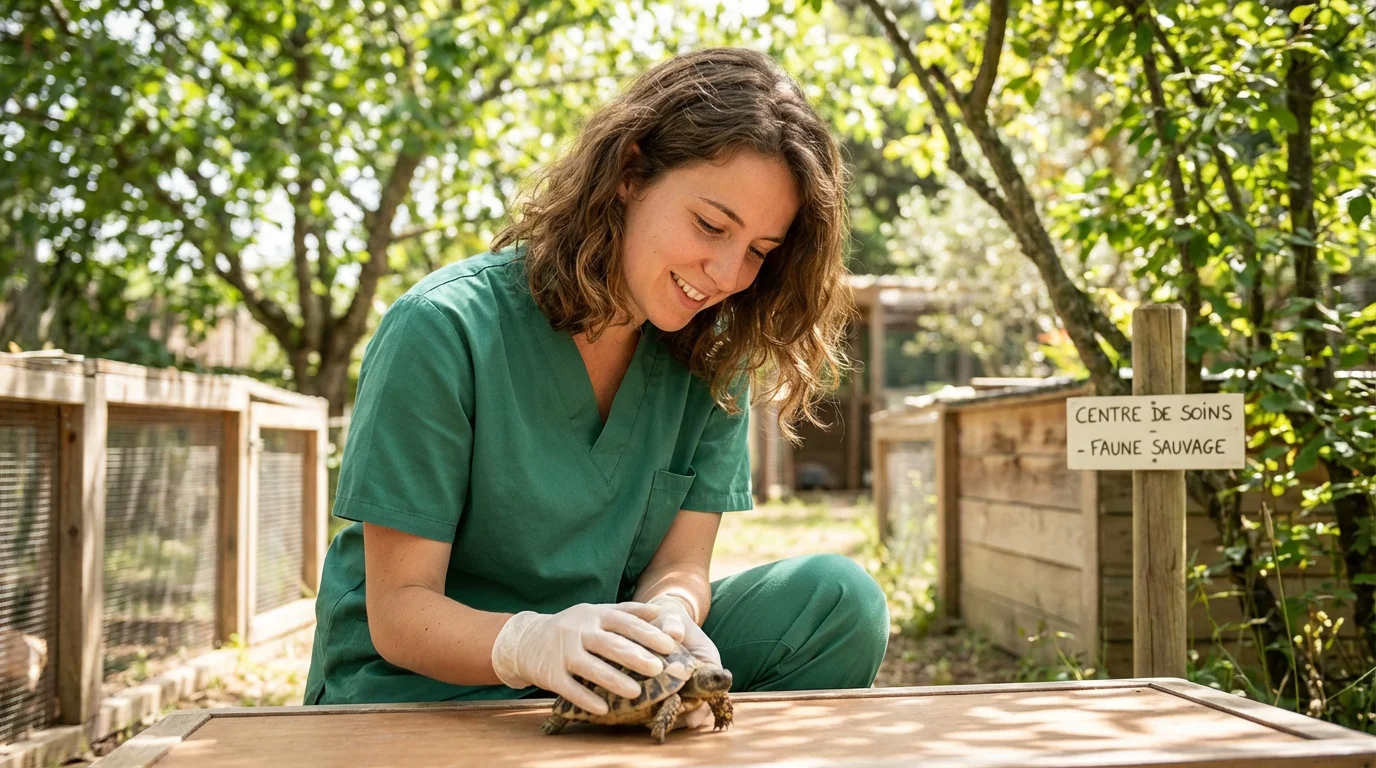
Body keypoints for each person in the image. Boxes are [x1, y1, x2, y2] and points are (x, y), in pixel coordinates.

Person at [303, 47, 890, 726]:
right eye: (710, 225)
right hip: (424, 689)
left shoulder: (714, 361)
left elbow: (681, 565)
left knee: (840, 601)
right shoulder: (441, 328)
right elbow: (400, 611)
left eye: (759, 251)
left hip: (605, 676)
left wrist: (669, 624)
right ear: (630, 174)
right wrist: (530, 644)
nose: (729, 273)